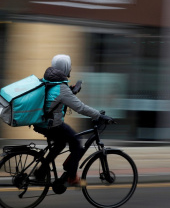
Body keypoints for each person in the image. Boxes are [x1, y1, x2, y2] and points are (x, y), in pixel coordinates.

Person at [33, 54, 114, 186]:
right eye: (69, 67)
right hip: (51, 125)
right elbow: (80, 108)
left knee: (60, 143)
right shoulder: (61, 88)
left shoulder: (49, 80)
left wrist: (71, 91)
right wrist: (98, 116)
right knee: (76, 141)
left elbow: (55, 97)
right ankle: (71, 177)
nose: (70, 70)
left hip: (42, 123)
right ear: (65, 68)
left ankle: (41, 172)